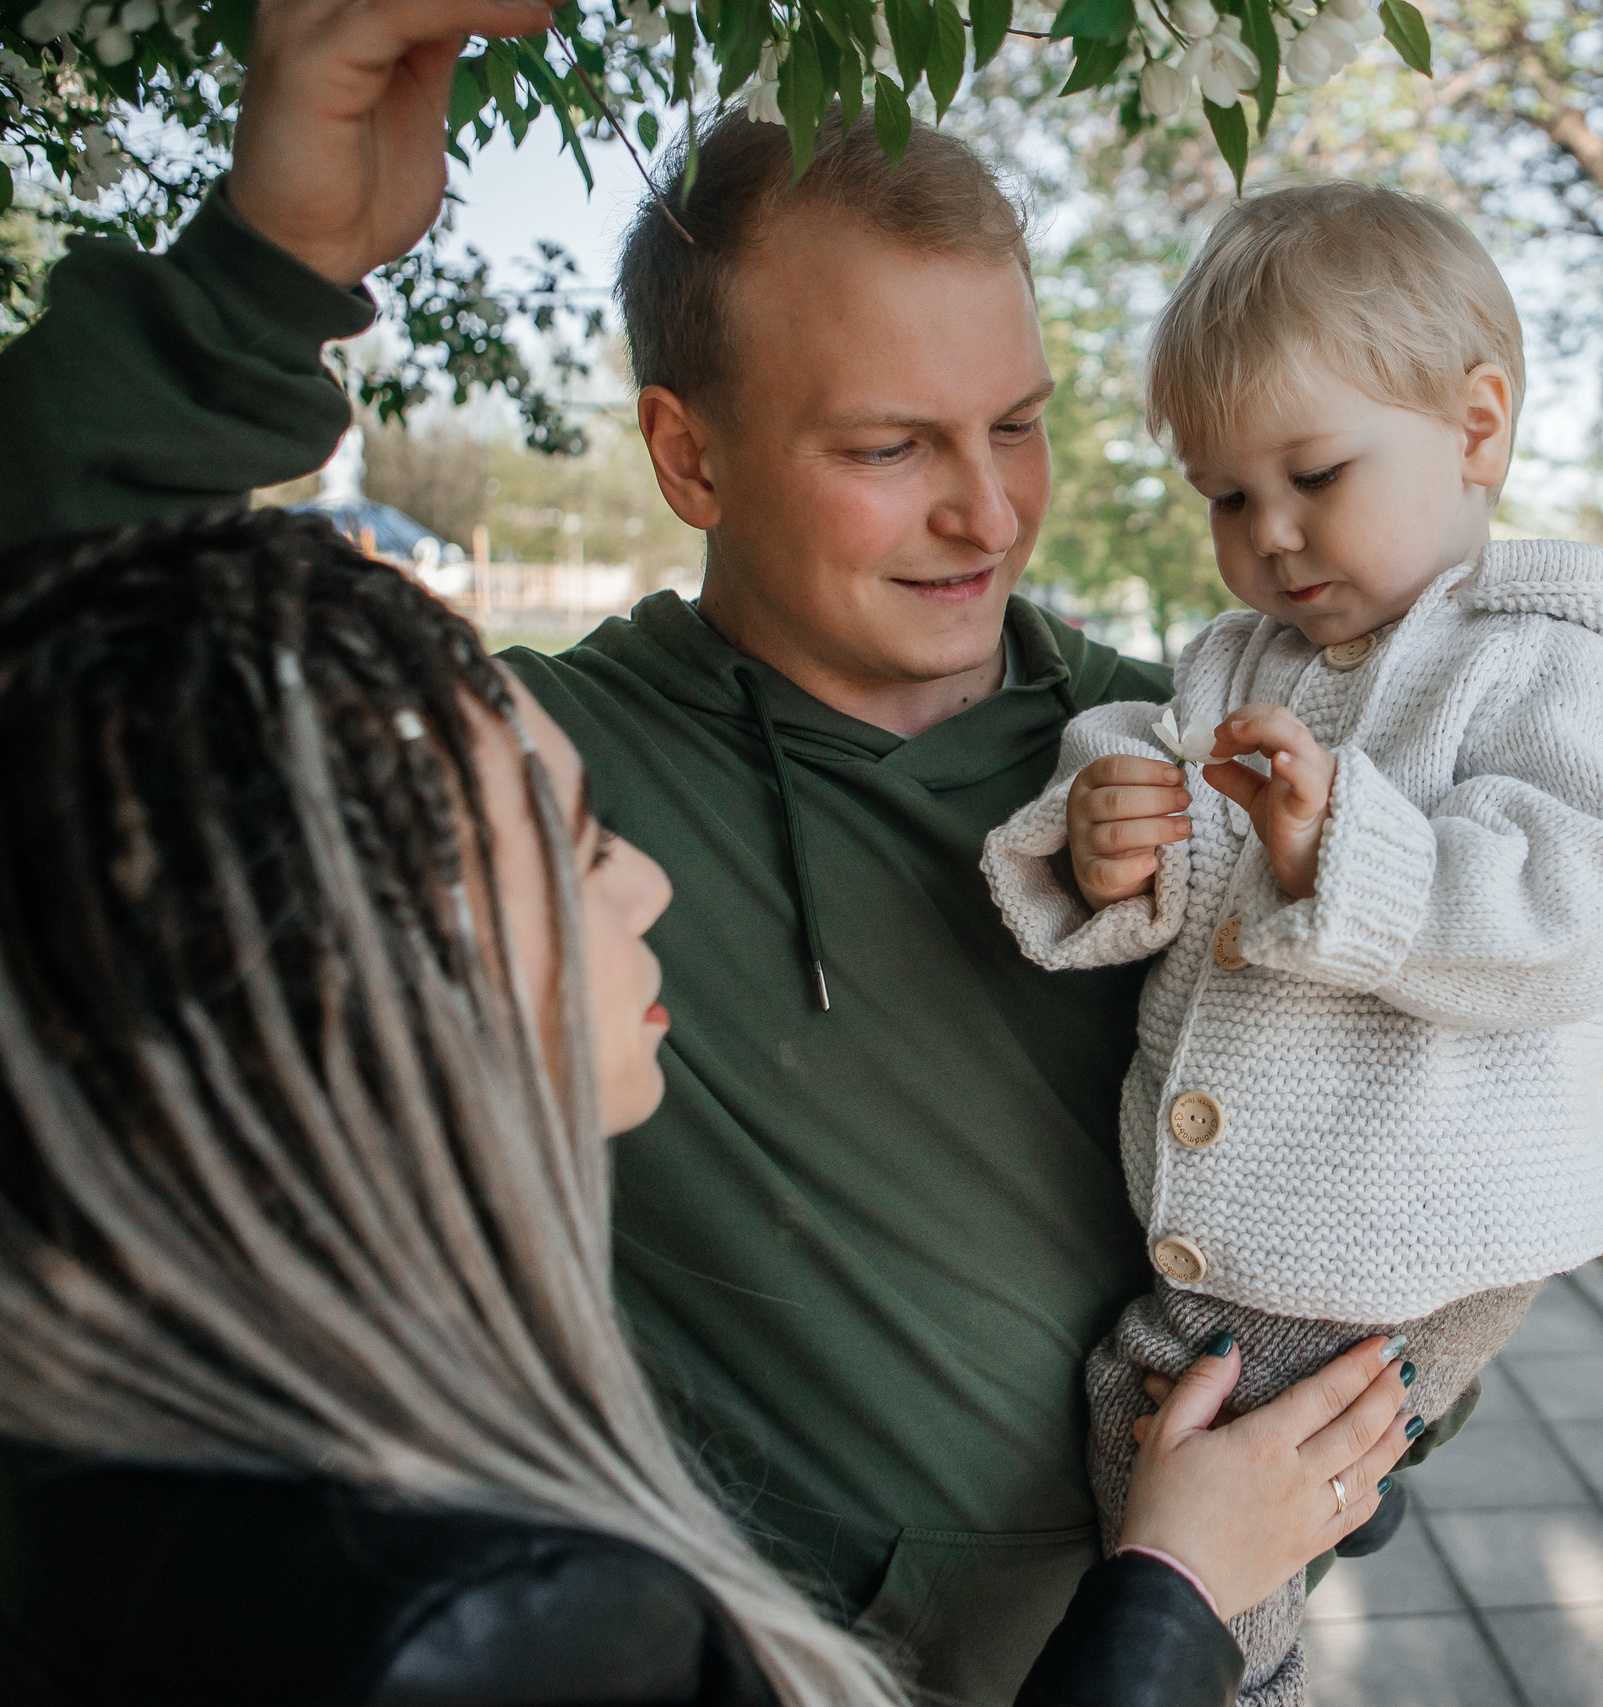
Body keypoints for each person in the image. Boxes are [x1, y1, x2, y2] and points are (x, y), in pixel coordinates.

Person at [0, 4, 1473, 1697]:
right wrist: (261, 276)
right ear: (687, 454)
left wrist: (1370, 1414)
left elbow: (1439, 1103)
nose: (986, 513)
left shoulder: (1192, 751)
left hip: (1198, 1647)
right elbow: (65, 671)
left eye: (1016, 424)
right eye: (889, 447)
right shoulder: (526, 788)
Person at [0, 507, 1418, 1705]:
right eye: (576, 843)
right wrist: (1175, 1592)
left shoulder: (179, 1435)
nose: (648, 887)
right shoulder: (498, 1625)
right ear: (355, 961)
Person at [981, 182, 1603, 1705]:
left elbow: (1574, 909)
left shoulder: (1550, 656)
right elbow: (1162, 779)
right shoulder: (1246, 658)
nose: (1272, 536)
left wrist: (1345, 854)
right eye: (1227, 498)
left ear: (1477, 428)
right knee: (1228, 1448)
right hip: (1344, 1230)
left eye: (1311, 473)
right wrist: (1112, 841)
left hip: (1398, 1220)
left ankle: (1245, 1678)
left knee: (1158, 1414)